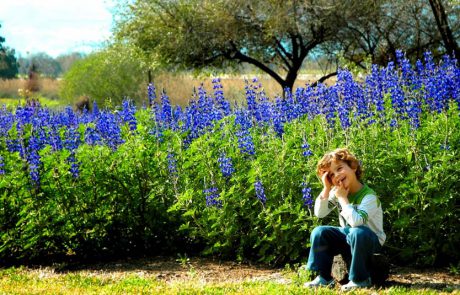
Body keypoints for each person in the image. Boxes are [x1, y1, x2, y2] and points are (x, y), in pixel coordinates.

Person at [303, 148, 385, 291]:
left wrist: (343, 198)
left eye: (339, 168)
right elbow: (319, 213)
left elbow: (356, 222)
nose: (337, 175)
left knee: (357, 232)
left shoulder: (369, 197)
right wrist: (327, 188)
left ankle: (360, 279)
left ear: (353, 167)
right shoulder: (337, 193)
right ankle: (324, 277)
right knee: (319, 231)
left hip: (370, 242)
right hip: (349, 239)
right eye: (331, 175)